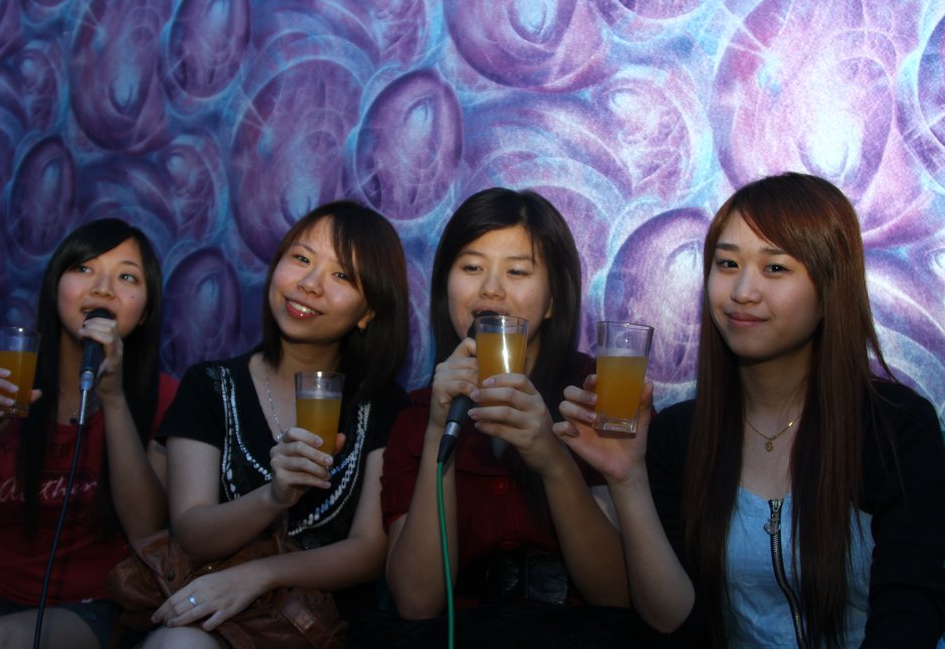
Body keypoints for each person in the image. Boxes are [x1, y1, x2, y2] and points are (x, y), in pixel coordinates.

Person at [557, 172, 945, 647]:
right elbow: (673, 623)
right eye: (727, 263)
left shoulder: (896, 426)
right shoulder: (680, 435)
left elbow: (910, 611)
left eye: (775, 267)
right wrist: (627, 479)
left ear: (831, 287)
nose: (742, 290)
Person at [366, 187, 645, 648]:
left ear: (553, 301)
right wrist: (438, 430)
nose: (490, 288)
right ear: (445, 287)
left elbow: (616, 595)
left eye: (517, 271)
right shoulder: (415, 417)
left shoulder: (596, 394)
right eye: (471, 268)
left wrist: (552, 461)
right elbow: (417, 603)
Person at [144, 201, 411, 648]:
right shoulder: (210, 385)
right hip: (219, 619)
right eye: (301, 258)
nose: (309, 284)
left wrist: (260, 575)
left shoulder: (384, 405)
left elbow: (370, 550)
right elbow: (191, 533)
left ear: (369, 312)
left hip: (331, 627)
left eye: (341, 275)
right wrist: (275, 496)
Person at [0, 218, 178, 649]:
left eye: (127, 277)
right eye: (84, 268)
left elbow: (146, 533)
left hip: (102, 600)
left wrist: (114, 400)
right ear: (55, 286)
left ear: (146, 311)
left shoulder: (166, 397)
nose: (102, 289)